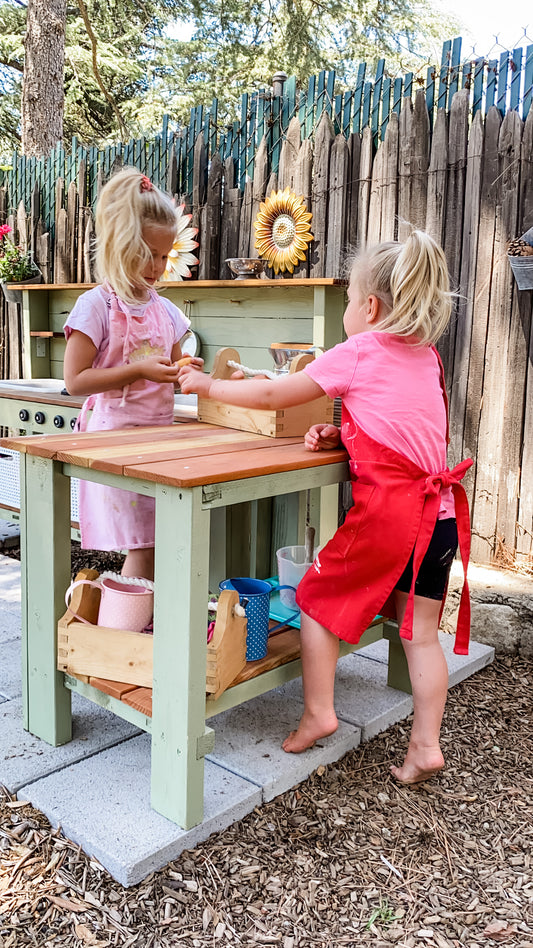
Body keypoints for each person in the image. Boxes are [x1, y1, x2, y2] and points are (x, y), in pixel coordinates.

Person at [178, 230, 472, 785]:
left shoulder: (359, 351)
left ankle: (319, 711)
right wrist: (343, 434)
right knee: (422, 634)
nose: (345, 309)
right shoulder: (426, 356)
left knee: (313, 599)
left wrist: (204, 386)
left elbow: (273, 394)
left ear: (370, 306)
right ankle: (426, 746)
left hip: (391, 517)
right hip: (440, 518)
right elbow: (405, 429)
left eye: (346, 298)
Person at [64, 168, 201, 582]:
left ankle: (135, 623)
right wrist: (138, 370)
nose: (159, 267)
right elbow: (75, 381)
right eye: (148, 255)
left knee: (156, 540)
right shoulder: (97, 307)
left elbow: (178, 367)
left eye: (164, 256)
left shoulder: (167, 311)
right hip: (114, 442)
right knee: (144, 544)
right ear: (119, 246)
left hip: (158, 441)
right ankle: (126, 633)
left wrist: (184, 371)